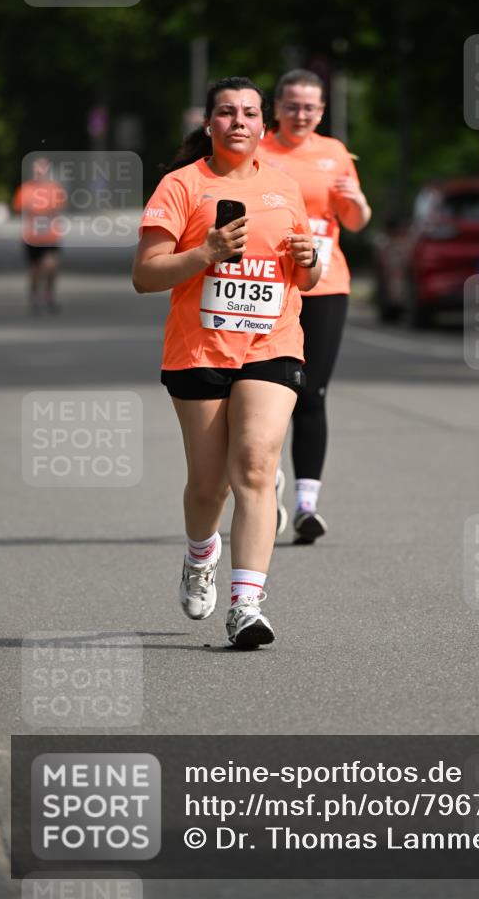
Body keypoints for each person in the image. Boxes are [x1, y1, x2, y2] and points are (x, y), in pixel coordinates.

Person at [132, 77, 321, 649]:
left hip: (272, 343)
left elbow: (305, 279)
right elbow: (145, 275)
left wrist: (310, 260)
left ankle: (247, 605)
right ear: (209, 123)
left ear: (264, 125)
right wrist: (206, 253)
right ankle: (200, 554)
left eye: (249, 113)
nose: (238, 121)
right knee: (209, 485)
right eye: (226, 112)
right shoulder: (182, 185)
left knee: (257, 467)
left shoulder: (284, 187)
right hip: (199, 349)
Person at [258, 69, 372, 544]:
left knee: (312, 393)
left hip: (326, 284)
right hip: (271, 284)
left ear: (321, 111)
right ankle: (266, 485)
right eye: (292, 105)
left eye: (309, 107)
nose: (300, 114)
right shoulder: (258, 150)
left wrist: (358, 201)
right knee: (266, 393)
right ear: (277, 108)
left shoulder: (335, 153)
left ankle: (307, 505)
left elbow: (356, 221)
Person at [12, 156, 67, 314]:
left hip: (50, 236)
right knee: (34, 270)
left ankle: (49, 296)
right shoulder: (26, 189)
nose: (40, 173)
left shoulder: (54, 189)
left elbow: (60, 206)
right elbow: (18, 208)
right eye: (37, 170)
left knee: (51, 266)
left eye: (43, 169)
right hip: (32, 237)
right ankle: (34, 297)